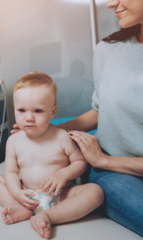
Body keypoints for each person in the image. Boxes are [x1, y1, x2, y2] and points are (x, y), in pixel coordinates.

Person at [57, 0, 143, 236]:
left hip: (107, 162)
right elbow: (100, 111)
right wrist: (49, 131)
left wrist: (104, 160)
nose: (111, 3)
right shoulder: (107, 49)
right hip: (110, 171)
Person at [0, 72, 104, 239]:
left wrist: (64, 174)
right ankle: (21, 207)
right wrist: (17, 193)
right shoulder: (14, 141)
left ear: (52, 112)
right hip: (27, 194)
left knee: (96, 192)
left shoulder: (62, 137)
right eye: (21, 110)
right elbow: (11, 172)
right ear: (14, 108)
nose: (29, 118)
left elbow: (80, 162)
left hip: (61, 194)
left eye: (38, 111)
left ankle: (50, 216)